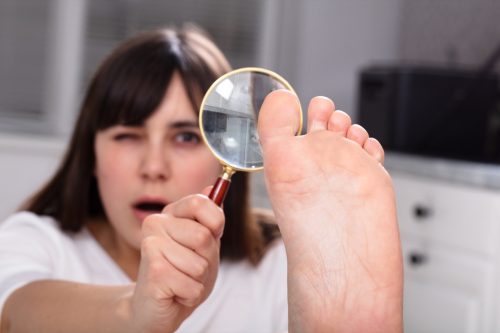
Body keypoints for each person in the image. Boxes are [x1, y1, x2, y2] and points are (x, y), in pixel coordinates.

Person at [0, 25, 402, 333]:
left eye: (186, 137)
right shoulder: (38, 240)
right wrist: (135, 310)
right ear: (91, 154)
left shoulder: (282, 260)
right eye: (127, 135)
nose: (153, 166)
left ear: (224, 156)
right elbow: (14, 314)